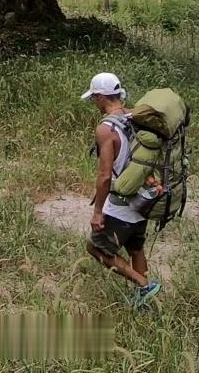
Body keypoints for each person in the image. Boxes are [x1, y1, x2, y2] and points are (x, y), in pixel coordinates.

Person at [82, 71, 161, 308]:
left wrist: (97, 212)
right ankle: (144, 302)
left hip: (122, 201)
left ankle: (145, 285)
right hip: (146, 195)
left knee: (96, 246)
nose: (94, 103)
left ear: (99, 97)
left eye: (94, 98)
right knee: (135, 247)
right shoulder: (136, 116)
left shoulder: (106, 129)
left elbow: (105, 175)